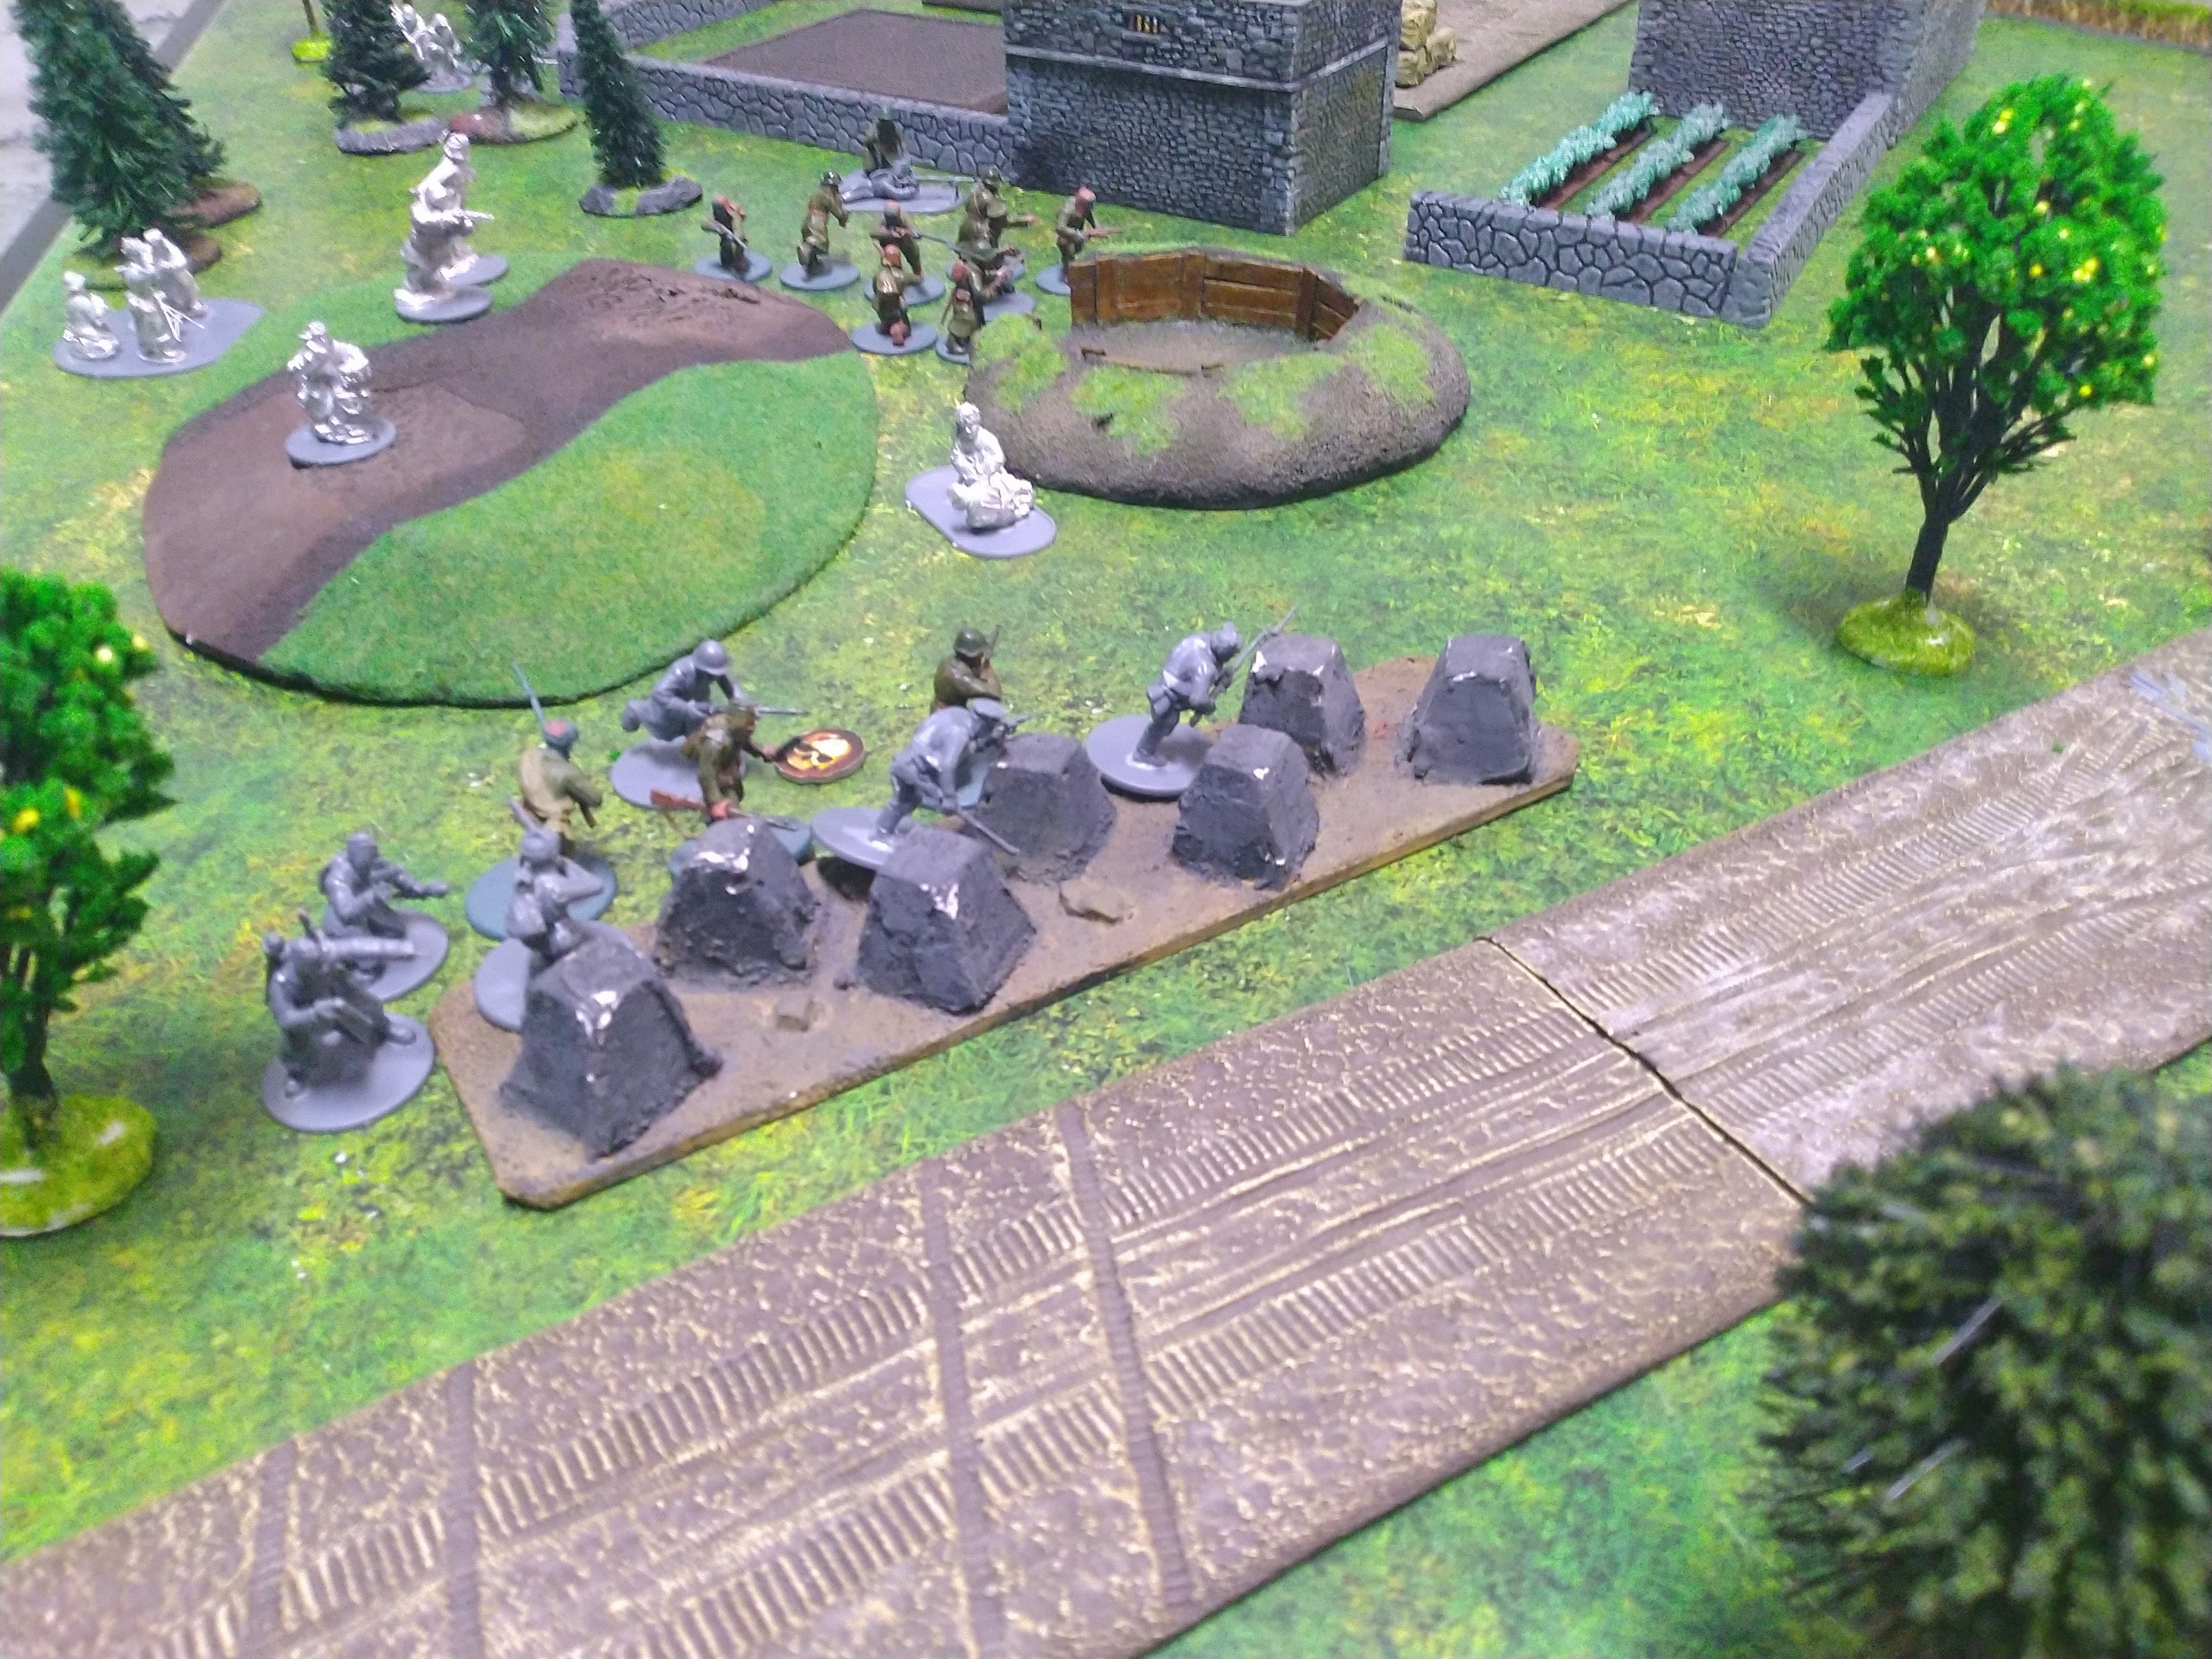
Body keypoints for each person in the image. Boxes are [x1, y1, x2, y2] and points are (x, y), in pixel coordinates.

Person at [263, 921, 415, 1096]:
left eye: (322, 962)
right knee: (296, 1042)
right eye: (317, 966)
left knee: (368, 1003)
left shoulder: (324, 954)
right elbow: (286, 1018)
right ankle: (298, 1074)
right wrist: (314, 1014)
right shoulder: (281, 984)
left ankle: (384, 1027)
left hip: (335, 987)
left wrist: (403, 950)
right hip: (307, 1010)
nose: (324, 966)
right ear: (299, 967)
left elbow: (357, 947)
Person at [874, 698, 1018, 838]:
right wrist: (949, 797)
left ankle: (885, 830)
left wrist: (989, 740)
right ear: (982, 725)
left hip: (918, 765)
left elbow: (966, 749)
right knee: (904, 801)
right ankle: (881, 833)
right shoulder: (959, 733)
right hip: (911, 768)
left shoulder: (961, 716)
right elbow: (947, 766)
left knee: (911, 800)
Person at [1134, 624, 1243, 762]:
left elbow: (1201, 669)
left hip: (1172, 680)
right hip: (1171, 694)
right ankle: (1143, 752)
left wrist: (1220, 677)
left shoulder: (1202, 638)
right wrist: (1210, 706)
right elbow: (1197, 699)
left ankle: (1145, 749)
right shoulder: (1205, 668)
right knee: (1164, 724)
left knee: (1165, 725)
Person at [504, 827, 605, 969]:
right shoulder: (555, 886)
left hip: (539, 942)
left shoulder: (523, 876)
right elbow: (596, 885)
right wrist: (567, 864)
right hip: (561, 940)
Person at [321, 831, 447, 944]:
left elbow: (394, 873)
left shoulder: (371, 860)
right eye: (367, 856)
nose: (372, 860)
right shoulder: (337, 877)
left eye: (372, 854)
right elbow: (346, 912)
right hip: (343, 921)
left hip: (368, 906)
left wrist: (424, 890)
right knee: (367, 952)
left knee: (396, 930)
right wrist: (373, 896)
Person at [621, 639, 739, 742]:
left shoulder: (712, 671)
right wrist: (688, 709)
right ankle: (635, 710)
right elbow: (660, 694)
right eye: (712, 675)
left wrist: (741, 704)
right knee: (663, 730)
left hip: (698, 705)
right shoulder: (680, 671)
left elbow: (728, 683)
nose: (716, 678)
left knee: (705, 728)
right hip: (672, 713)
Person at [518, 718, 603, 852]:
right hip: (554, 830)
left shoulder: (529, 755)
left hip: (528, 815)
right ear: (570, 743)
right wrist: (579, 779)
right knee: (562, 856)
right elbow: (596, 799)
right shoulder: (568, 772)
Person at [947, 401, 1033, 531]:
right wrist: (967, 469)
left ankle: (1017, 506)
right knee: (979, 502)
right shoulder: (962, 440)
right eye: (964, 426)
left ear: (977, 422)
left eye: (971, 425)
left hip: (992, 477)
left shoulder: (986, 438)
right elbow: (957, 455)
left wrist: (985, 471)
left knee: (1006, 492)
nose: (968, 430)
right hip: (972, 479)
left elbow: (999, 457)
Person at [288, 322, 377, 444]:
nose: (310, 344)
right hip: (317, 385)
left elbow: (357, 357)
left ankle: (355, 427)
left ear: (323, 338)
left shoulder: (338, 348)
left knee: (350, 399)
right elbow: (294, 367)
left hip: (340, 382)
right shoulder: (307, 355)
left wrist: (349, 369)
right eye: (309, 340)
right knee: (322, 404)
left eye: (315, 339)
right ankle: (331, 429)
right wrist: (298, 367)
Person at [682, 703, 774, 820]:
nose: (752, 728)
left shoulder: (737, 729)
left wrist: (761, 750)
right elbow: (706, 774)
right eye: (749, 723)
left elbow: (743, 739)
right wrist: (716, 802)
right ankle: (723, 820)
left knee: (734, 788)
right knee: (729, 800)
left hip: (725, 762)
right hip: (715, 768)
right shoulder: (715, 742)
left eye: (753, 722)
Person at [957, 165, 1035, 283]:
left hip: (966, 229)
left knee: (970, 256)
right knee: (991, 259)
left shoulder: (973, 194)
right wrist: (1024, 221)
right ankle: (990, 278)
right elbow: (1002, 222)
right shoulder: (991, 200)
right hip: (981, 237)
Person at [116, 237, 187, 362]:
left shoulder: (138, 268)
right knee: (155, 326)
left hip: (149, 299)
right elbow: (152, 275)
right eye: (141, 253)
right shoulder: (134, 271)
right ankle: (160, 351)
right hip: (143, 303)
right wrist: (154, 263)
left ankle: (155, 349)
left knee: (157, 324)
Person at [142, 228, 207, 321]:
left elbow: (182, 262)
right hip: (164, 278)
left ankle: (193, 303)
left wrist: (169, 266)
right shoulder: (149, 251)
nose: (153, 246)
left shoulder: (170, 248)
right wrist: (158, 268)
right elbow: (149, 265)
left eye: (155, 243)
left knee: (185, 281)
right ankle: (176, 306)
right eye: (151, 244)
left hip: (177, 273)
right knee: (169, 291)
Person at [932, 627, 1002, 711]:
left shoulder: (950, 660)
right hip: (947, 715)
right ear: (974, 656)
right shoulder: (960, 678)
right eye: (981, 653)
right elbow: (995, 693)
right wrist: (986, 665)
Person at [797, 172, 849, 277]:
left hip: (808, 220)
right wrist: (843, 216)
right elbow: (837, 212)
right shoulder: (827, 196)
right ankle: (806, 248)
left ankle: (813, 263)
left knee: (812, 240)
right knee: (820, 242)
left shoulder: (818, 193)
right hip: (817, 223)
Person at [59, 272, 119, 362]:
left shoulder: (69, 301)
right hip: (88, 330)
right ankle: (95, 346)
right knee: (111, 339)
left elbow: (69, 318)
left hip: (75, 329)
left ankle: (85, 343)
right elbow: (94, 319)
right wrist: (99, 306)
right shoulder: (84, 302)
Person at [1053, 186, 1116, 270]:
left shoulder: (1086, 209)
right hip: (1066, 236)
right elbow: (1060, 228)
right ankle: (1068, 271)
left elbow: (1090, 216)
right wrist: (1078, 234)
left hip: (1079, 234)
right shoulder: (1067, 210)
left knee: (1077, 251)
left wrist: (1099, 230)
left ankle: (1074, 268)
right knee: (1069, 254)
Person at [939, 259, 986, 362]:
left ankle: (967, 341)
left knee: (971, 322)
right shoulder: (958, 287)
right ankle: (952, 343)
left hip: (970, 305)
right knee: (962, 321)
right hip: (961, 308)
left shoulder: (972, 277)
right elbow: (950, 304)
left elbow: (978, 294)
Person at [870, 245, 915, 345]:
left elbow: (875, 289)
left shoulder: (878, 275)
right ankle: (897, 328)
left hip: (884, 311)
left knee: (878, 303)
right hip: (897, 312)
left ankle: (888, 326)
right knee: (901, 317)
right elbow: (916, 279)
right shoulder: (901, 276)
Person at [873, 200, 924, 282]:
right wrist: (890, 233)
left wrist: (907, 232)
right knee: (891, 254)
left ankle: (918, 275)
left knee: (913, 255)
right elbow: (873, 232)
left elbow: (917, 234)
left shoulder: (904, 217)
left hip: (905, 241)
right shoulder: (882, 219)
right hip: (889, 242)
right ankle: (895, 277)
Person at [704, 194, 749, 273]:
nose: (718, 211)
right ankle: (727, 261)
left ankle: (740, 262)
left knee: (739, 248)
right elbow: (705, 225)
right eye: (717, 209)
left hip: (735, 235)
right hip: (725, 236)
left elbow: (739, 231)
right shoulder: (716, 215)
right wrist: (717, 228)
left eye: (720, 209)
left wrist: (734, 236)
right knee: (726, 249)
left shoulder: (734, 215)